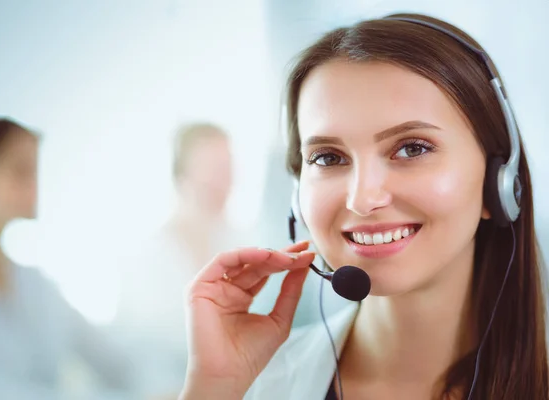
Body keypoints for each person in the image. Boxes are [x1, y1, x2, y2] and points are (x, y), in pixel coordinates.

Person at [178, 13, 548, 400]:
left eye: (412, 148)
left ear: (499, 181)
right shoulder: (259, 386)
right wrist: (214, 389)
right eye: (328, 158)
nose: (363, 199)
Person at [0, 115, 137, 399]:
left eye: (35, 172)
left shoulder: (35, 285)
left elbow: (116, 362)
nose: (34, 187)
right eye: (21, 171)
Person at [115, 122, 252, 399]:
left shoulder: (246, 246)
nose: (223, 181)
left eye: (227, 168)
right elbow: (135, 354)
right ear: (181, 173)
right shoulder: (146, 258)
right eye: (211, 168)